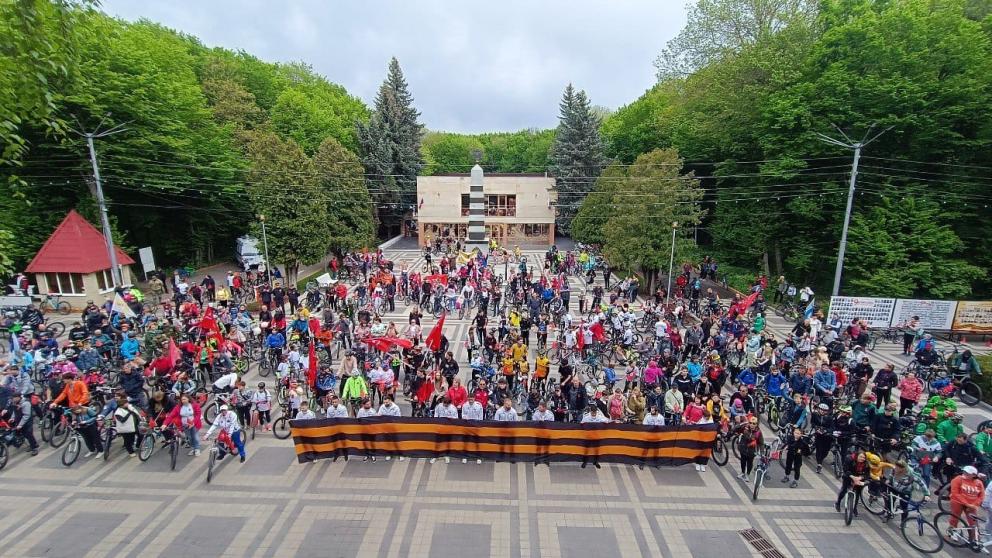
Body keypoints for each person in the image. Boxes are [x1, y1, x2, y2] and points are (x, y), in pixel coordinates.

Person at [949, 465, 986, 543]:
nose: (965, 474)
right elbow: (955, 493)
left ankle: (974, 538)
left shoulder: (979, 483)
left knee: (973, 521)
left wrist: (975, 504)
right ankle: (952, 531)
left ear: (974, 475)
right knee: (955, 517)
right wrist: (966, 504)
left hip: (972, 504)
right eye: (964, 472)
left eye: (967, 473)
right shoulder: (957, 479)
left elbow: (981, 495)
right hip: (957, 502)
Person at [737, 416, 763, 482]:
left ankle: (747, 474)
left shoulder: (759, 432)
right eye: (751, 423)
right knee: (742, 461)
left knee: (749, 463)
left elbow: (761, 443)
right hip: (743, 449)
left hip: (751, 451)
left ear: (756, 424)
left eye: (754, 423)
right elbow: (737, 430)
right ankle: (742, 473)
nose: (752, 425)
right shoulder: (745, 428)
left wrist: (761, 452)